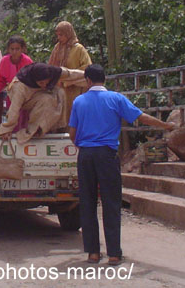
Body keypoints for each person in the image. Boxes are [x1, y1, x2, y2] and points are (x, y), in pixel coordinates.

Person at [68, 64, 175, 266]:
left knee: (88, 203)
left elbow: (72, 133)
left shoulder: (79, 101)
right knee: (111, 202)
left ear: (87, 81)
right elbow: (140, 117)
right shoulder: (116, 99)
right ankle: (114, 254)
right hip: (107, 155)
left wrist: (83, 145)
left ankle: (92, 253)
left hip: (86, 155)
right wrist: (165, 125)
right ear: (104, 79)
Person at [0, 62, 71, 143]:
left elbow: (71, 74)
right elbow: (14, 109)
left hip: (37, 94)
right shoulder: (20, 87)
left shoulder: (53, 72)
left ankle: (54, 127)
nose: (44, 85)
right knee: (46, 99)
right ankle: (31, 130)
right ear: (35, 79)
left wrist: (86, 76)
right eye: (41, 83)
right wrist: (7, 130)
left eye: (46, 82)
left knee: (59, 92)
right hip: (23, 99)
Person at [48, 21, 92, 126]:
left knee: (75, 114)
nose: (59, 38)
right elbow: (51, 66)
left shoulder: (79, 49)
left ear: (68, 33)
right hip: (60, 88)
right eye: (57, 35)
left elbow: (87, 68)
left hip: (75, 89)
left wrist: (70, 76)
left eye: (61, 35)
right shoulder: (57, 49)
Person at [0, 35, 33, 108]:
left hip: (25, 96)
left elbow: (32, 78)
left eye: (17, 49)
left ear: (22, 49)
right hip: (11, 95)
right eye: (12, 49)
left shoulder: (27, 61)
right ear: (8, 49)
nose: (14, 52)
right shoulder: (5, 61)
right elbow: (1, 79)